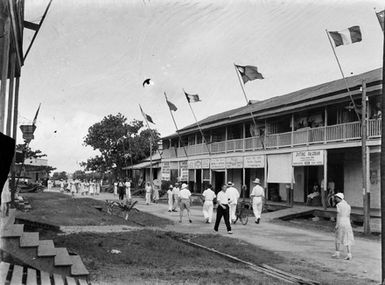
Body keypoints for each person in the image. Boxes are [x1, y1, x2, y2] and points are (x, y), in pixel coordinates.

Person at [332, 193, 354, 260]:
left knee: (338, 236)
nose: (335, 199)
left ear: (339, 198)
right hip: (347, 222)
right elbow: (348, 215)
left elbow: (338, 215)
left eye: (336, 198)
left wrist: (337, 224)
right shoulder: (348, 205)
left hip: (341, 221)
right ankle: (349, 254)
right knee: (347, 237)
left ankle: (337, 253)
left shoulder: (339, 205)